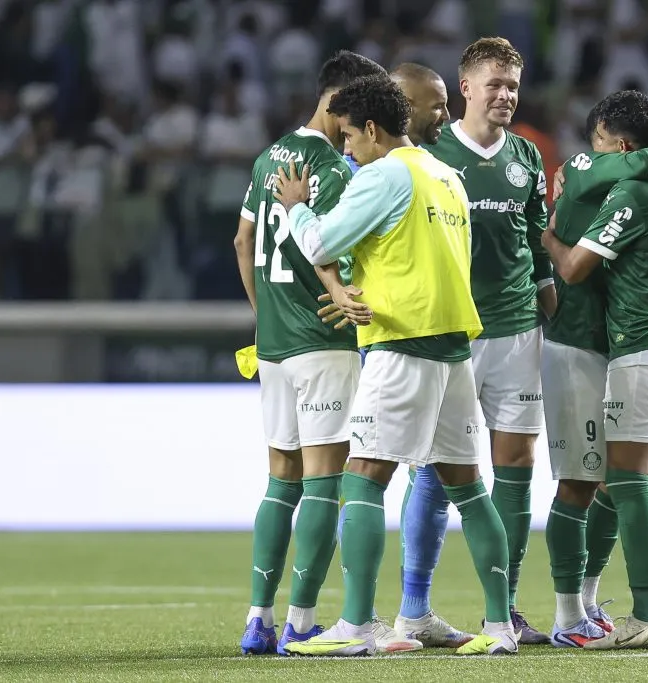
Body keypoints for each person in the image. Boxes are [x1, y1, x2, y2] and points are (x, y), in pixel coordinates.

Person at [275, 75, 518, 657]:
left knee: (362, 477)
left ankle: (356, 626)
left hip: (403, 341)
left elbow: (320, 244)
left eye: (349, 138)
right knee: (469, 487)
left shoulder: (384, 175)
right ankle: (500, 627)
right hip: (453, 347)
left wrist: (296, 209)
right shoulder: (445, 174)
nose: (347, 149)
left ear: (372, 129)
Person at [232, 51, 420, 656]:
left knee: (278, 479)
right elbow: (332, 246)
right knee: (323, 481)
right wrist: (341, 290)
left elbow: (242, 240)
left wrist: (265, 316)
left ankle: (258, 619)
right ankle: (301, 621)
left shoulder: (268, 158)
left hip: (273, 346)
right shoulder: (332, 169)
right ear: (338, 102)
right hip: (324, 341)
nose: (359, 122)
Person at [542, 90, 648, 650]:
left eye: (601, 143)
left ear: (623, 145)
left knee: (626, 480)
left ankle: (647, 615)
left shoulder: (631, 195)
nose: (596, 154)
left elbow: (574, 267)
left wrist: (548, 237)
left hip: (645, 347)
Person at [407, 35, 554, 645]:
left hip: (519, 331)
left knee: (516, 464)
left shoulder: (527, 156)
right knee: (437, 471)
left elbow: (537, 245)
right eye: (494, 84)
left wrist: (550, 308)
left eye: (513, 86)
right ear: (465, 88)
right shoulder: (430, 152)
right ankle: (415, 608)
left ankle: (506, 605)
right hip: (453, 333)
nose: (505, 96)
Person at [382, 63, 476, 648]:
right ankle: (349, 617)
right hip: (390, 338)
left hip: (440, 334)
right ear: (401, 105)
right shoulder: (372, 168)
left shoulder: (436, 168)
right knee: (365, 472)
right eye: (434, 104)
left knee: (435, 474)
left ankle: (412, 611)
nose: (444, 114)